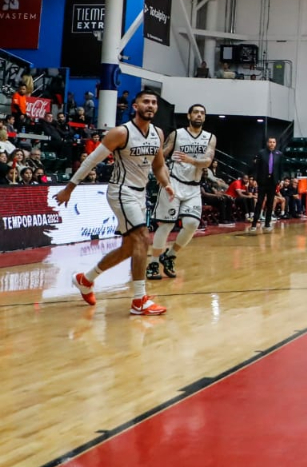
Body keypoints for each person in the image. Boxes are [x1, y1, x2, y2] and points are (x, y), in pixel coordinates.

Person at [57, 89, 175, 316]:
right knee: (142, 238)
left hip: (139, 194)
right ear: (135, 106)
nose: (150, 105)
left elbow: (158, 165)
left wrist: (166, 183)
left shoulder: (158, 134)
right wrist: (69, 188)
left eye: (154, 102)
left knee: (129, 248)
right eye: (146, 102)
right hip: (121, 191)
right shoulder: (121, 133)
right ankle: (139, 300)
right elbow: (91, 160)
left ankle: (85, 279)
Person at [148, 104, 217, 280]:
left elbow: (207, 161)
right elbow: (161, 155)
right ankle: (154, 262)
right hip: (174, 183)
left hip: (194, 187)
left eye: (202, 113)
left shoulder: (210, 138)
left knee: (192, 224)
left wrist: (191, 160)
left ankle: (169, 255)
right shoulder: (177, 134)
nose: (199, 115)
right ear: (189, 115)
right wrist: (159, 171)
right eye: (196, 112)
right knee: (167, 225)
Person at [248, 137, 284, 233]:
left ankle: (267, 223)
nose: (272, 144)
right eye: (270, 142)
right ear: (267, 143)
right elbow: (256, 167)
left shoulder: (279, 154)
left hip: (273, 181)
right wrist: (255, 179)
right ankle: (254, 223)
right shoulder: (261, 153)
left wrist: (281, 180)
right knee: (259, 202)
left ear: (276, 143)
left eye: (273, 142)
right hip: (262, 180)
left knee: (270, 202)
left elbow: (281, 168)